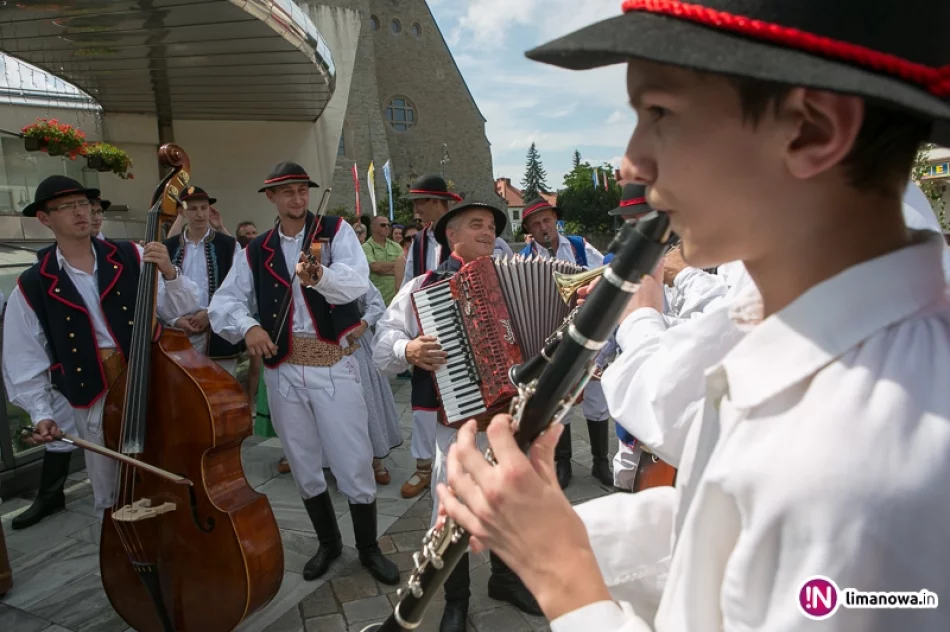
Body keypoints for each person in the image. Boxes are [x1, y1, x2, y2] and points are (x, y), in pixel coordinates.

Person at [438, 2, 950, 630]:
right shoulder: (794, 332)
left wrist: (557, 573)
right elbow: (727, 529)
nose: (629, 163)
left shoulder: (860, 462)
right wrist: (542, 521)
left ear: (812, 131)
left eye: (660, 113)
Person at [207, 161, 399, 585]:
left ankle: (368, 547)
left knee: (352, 457)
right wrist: (250, 327)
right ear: (271, 198)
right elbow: (225, 304)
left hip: (333, 363)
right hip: (283, 370)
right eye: (287, 192)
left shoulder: (334, 232)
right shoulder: (255, 249)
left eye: (301, 190)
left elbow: (356, 282)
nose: (297, 198)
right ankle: (328, 543)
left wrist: (320, 276)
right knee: (303, 461)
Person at [373, 200, 542, 631]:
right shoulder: (424, 287)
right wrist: (406, 349)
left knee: (512, 501)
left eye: (491, 226)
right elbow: (382, 345)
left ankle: (504, 580)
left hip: (515, 421)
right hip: (461, 426)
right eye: (477, 225)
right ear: (452, 235)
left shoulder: (516, 279)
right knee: (453, 509)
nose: (488, 232)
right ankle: (456, 600)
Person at [3, 176, 200, 519]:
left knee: (173, 468)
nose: (80, 212)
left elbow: (181, 310)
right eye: (66, 207)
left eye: (83, 203)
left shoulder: (132, 255)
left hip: (153, 381)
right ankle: (127, 557)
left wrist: (169, 272)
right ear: (45, 219)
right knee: (111, 488)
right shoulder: (32, 284)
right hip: (93, 395)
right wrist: (41, 413)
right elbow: (23, 357)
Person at [518, 197, 611, 487]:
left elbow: (605, 276)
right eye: (536, 223)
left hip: (591, 332)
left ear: (555, 221)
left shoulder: (580, 246)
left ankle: (600, 463)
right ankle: (563, 463)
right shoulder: (523, 258)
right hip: (553, 338)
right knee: (561, 403)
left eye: (547, 220)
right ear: (529, 230)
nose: (543, 227)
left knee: (597, 400)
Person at [397, 174, 463, 498]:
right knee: (423, 396)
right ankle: (424, 467)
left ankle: (465, 456)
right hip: (429, 329)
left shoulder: (462, 232)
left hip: (467, 328)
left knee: (462, 394)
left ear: (437, 203)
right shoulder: (420, 241)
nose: (417, 210)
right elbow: (409, 282)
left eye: (420, 202)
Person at [163, 186, 245, 375]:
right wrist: (175, 320)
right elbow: (160, 290)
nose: (200, 214)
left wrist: (210, 313)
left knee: (221, 393)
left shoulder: (229, 245)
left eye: (204, 208)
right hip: (180, 331)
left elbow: (239, 288)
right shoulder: (169, 246)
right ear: (181, 211)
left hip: (218, 330)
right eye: (193, 209)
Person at [363, 215, 404, 305]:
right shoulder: (367, 247)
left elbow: (404, 268)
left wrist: (383, 268)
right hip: (376, 300)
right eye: (383, 225)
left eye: (388, 225)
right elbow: (375, 267)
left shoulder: (396, 246)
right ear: (373, 228)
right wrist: (396, 265)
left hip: (395, 299)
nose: (387, 227)